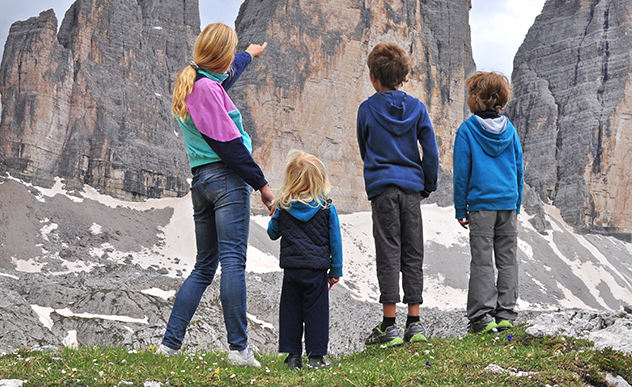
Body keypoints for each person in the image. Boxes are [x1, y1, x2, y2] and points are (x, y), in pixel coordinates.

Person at [159, 22, 275, 367]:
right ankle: (238, 349)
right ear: (219, 57)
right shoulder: (207, 91)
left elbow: (226, 75)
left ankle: (169, 345)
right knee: (233, 264)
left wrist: (248, 56)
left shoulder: (196, 83)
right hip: (227, 181)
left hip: (202, 184)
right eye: (231, 53)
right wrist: (263, 186)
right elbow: (231, 148)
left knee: (204, 266)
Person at [356, 42, 439, 346]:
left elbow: (365, 149)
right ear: (403, 77)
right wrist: (427, 185)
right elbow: (430, 150)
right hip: (411, 190)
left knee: (388, 251)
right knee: (413, 251)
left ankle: (389, 325)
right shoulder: (417, 108)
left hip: (383, 190)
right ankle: (414, 323)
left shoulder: (366, 109)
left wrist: (378, 172)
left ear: (374, 78)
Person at [453, 71, 523, 334]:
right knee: (508, 259)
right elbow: (519, 169)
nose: (467, 98)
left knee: (482, 260)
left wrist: (461, 208)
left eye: (470, 94)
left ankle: (482, 316)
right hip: (507, 203)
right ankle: (506, 314)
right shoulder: (511, 130)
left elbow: (462, 173)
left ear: (478, 100)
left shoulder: (467, 130)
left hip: (482, 206)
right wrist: (517, 204)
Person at [267, 150, 343, 370]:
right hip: (317, 270)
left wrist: (274, 214)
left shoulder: (284, 206)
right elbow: (335, 241)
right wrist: (335, 270)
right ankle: (316, 358)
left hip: (292, 270)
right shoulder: (327, 207)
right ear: (319, 180)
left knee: (291, 312)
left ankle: (293, 358)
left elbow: (273, 233)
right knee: (316, 314)